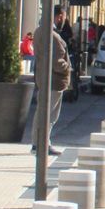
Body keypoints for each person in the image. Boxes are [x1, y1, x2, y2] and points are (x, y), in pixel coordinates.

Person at [31, 16, 72, 158]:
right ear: (59, 17)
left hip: (43, 77)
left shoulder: (38, 32)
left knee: (42, 111)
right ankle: (42, 143)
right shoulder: (52, 36)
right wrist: (68, 68)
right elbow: (57, 60)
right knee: (50, 114)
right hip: (54, 80)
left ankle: (38, 142)